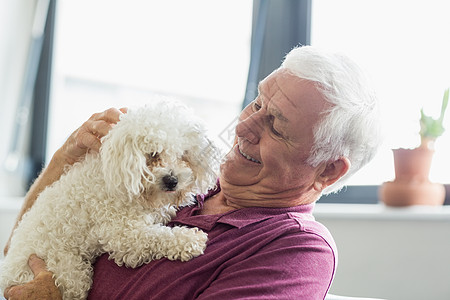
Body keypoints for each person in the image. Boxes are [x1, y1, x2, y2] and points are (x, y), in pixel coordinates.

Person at [3, 45, 381, 300]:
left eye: (276, 126)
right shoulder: (186, 178)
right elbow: (16, 249)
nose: (244, 127)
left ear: (328, 170)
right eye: (256, 103)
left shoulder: (296, 250)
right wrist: (63, 161)